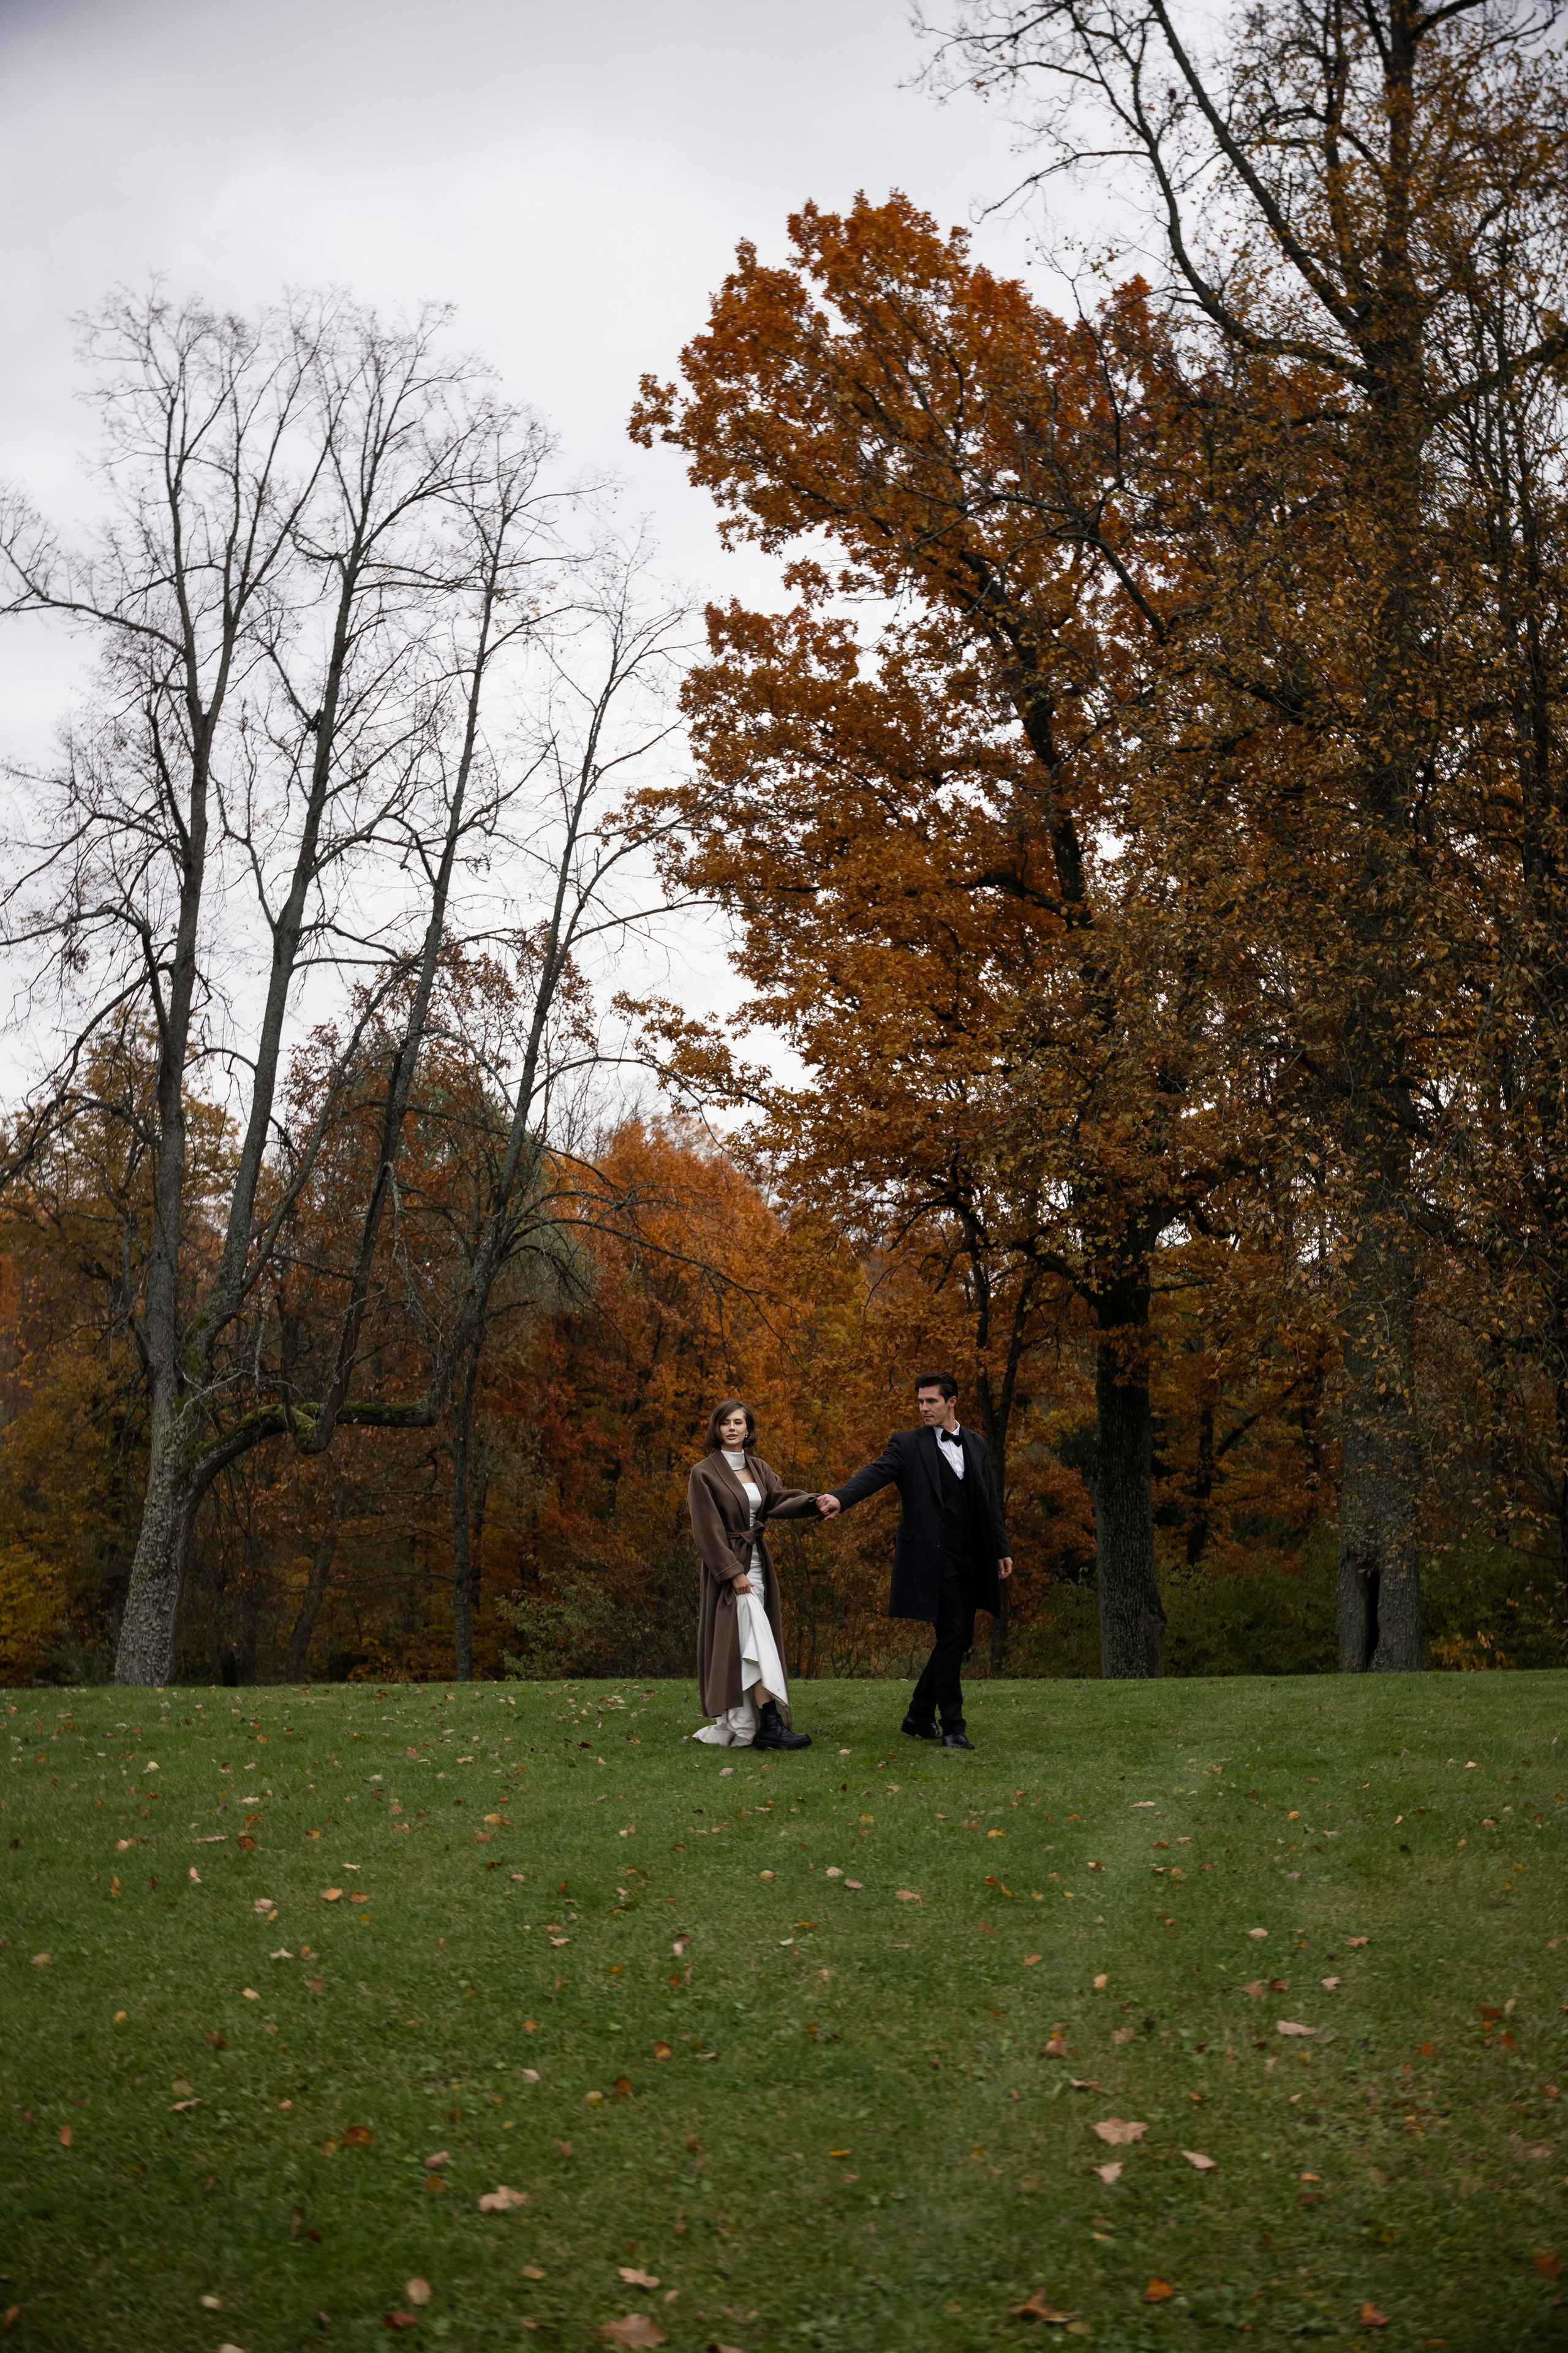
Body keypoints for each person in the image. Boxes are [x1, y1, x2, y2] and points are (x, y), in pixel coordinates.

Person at [818, 1370, 1011, 1749]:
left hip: (973, 1556)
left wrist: (1002, 1549)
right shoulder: (907, 1445)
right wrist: (841, 1497)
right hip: (932, 1559)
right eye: (920, 1401)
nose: (923, 1408)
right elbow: (874, 1474)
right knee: (953, 1634)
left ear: (951, 1402)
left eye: (931, 1401)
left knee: (960, 1637)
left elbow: (989, 1501)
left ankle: (919, 1715)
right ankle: (953, 1726)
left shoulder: (977, 1443)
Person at [687, 1397, 819, 1751]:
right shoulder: (703, 1473)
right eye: (726, 1422)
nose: (732, 1428)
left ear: (749, 1429)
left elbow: (779, 1500)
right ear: (717, 1429)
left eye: (739, 1423)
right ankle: (771, 1725)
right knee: (755, 1643)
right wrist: (732, 1573)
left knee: (751, 1643)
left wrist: (817, 1502)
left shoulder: (759, 1469)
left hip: (759, 1564)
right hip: (730, 1571)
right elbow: (706, 1531)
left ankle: (760, 1725)